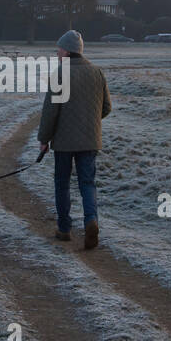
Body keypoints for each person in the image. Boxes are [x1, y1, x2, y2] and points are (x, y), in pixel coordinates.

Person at [37, 30, 111, 250]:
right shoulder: (97, 72)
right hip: (90, 140)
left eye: (59, 49)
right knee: (87, 183)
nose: (57, 52)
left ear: (67, 50)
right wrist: (89, 122)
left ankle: (64, 228)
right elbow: (106, 107)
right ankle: (91, 221)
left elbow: (51, 111)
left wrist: (44, 138)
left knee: (62, 183)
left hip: (64, 142)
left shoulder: (60, 74)